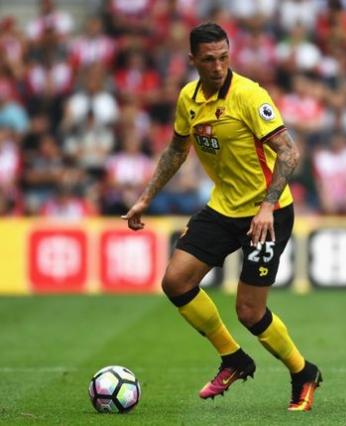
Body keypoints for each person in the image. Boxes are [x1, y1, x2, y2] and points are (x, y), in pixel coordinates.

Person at [122, 23, 321, 412]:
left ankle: (303, 372)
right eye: (209, 59)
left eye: (224, 57)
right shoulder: (188, 98)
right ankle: (233, 358)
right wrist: (145, 199)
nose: (218, 66)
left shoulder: (249, 95)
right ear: (193, 60)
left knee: (249, 311)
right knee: (176, 281)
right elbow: (177, 151)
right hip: (223, 207)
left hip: (269, 213)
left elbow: (289, 152)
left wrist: (266, 205)